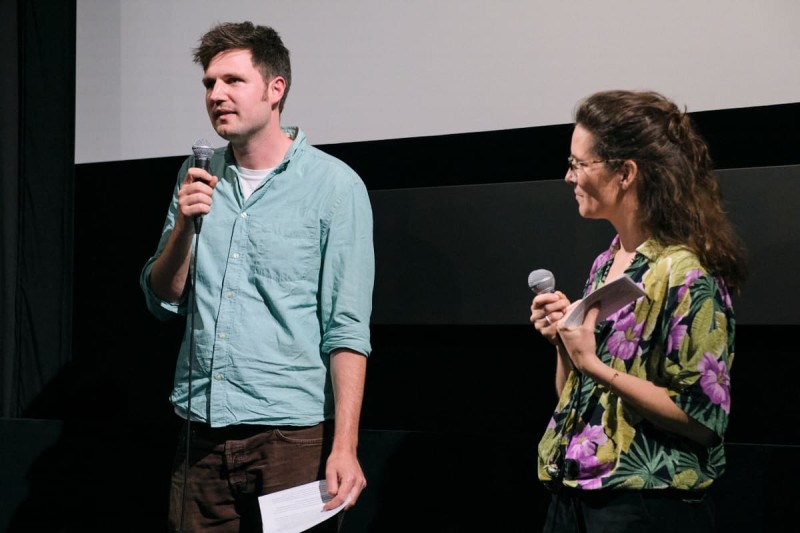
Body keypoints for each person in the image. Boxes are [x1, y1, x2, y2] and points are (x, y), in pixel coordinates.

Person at [139, 21, 374, 532]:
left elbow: (347, 327)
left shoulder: (335, 186)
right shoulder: (195, 175)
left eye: (232, 81)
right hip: (198, 429)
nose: (216, 95)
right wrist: (183, 226)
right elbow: (163, 298)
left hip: (290, 437)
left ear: (275, 89)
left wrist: (345, 445)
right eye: (208, 84)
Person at [529, 89, 747, 532]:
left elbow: (703, 417)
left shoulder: (686, 273)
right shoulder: (606, 264)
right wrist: (565, 345)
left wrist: (593, 363)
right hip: (576, 496)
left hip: (645, 506)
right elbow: (574, 395)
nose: (569, 177)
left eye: (578, 163)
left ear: (625, 173)